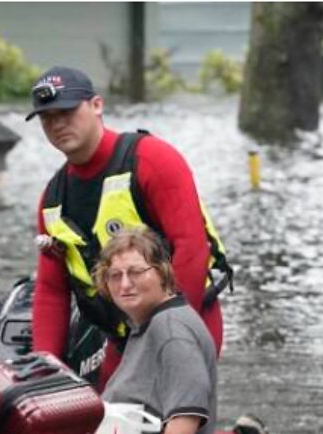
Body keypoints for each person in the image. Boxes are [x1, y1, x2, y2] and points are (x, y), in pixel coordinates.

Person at [26, 65, 232, 390]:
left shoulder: (152, 160)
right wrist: (44, 371)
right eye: (46, 117)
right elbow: (52, 291)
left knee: (167, 433)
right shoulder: (52, 200)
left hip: (187, 321)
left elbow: (191, 249)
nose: (57, 123)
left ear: (97, 105)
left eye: (67, 111)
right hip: (121, 337)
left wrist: (170, 336)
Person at [93, 227, 294, 434]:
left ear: (162, 272)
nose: (125, 284)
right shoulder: (151, 324)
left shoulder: (172, 330)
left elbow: (190, 401)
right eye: (115, 276)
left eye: (136, 272)